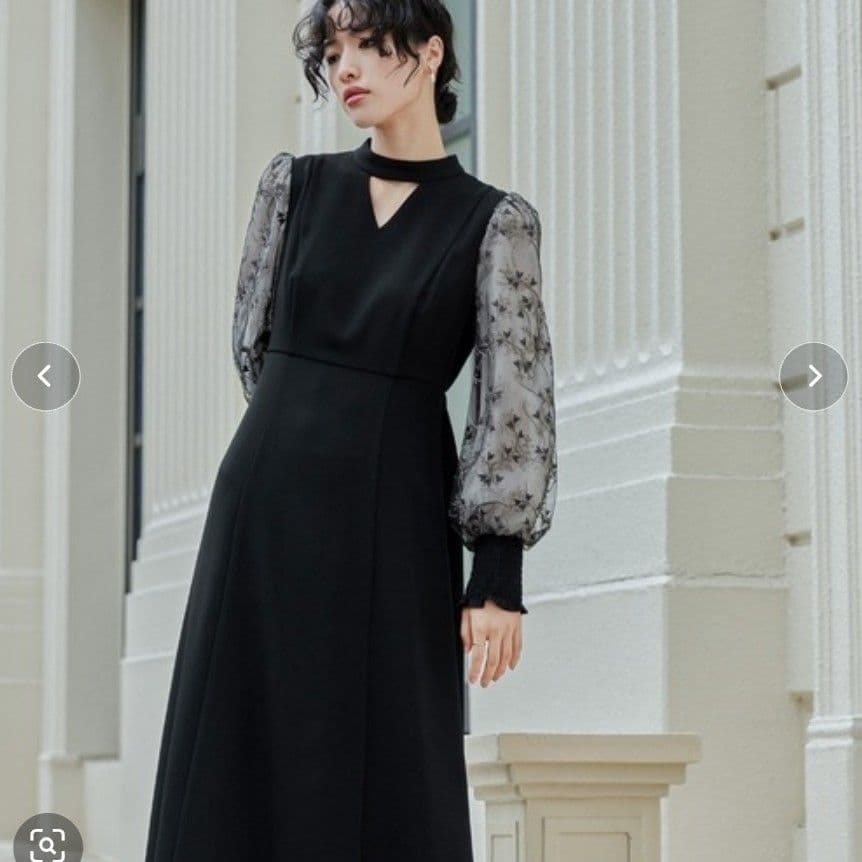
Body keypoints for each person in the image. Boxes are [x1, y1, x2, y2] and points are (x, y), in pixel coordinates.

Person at [144, 1, 557, 859]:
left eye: (369, 44)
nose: (347, 68)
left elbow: (514, 395)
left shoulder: (493, 221)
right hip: (265, 501)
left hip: (395, 510)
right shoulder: (293, 187)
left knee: (387, 749)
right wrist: (313, 432)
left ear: (432, 53)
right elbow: (254, 348)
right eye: (333, 51)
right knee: (237, 735)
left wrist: (498, 572)